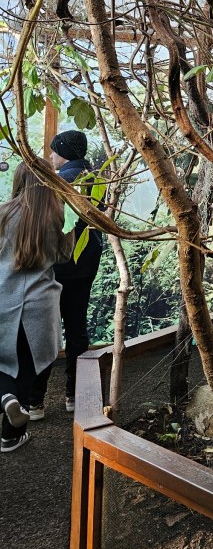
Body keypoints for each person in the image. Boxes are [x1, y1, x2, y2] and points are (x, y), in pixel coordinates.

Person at [0, 161, 74, 452]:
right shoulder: (60, 216)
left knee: (4, 364)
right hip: (40, 306)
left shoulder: (3, 213)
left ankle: (5, 399)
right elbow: (65, 257)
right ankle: (10, 436)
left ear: (18, 181)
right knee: (27, 369)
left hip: (4, 297)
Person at [29, 130, 103, 418]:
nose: (50, 157)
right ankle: (75, 396)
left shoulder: (58, 182)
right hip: (85, 263)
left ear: (64, 152)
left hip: (57, 266)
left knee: (46, 331)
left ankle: (35, 401)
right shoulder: (98, 179)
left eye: (53, 151)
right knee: (77, 328)